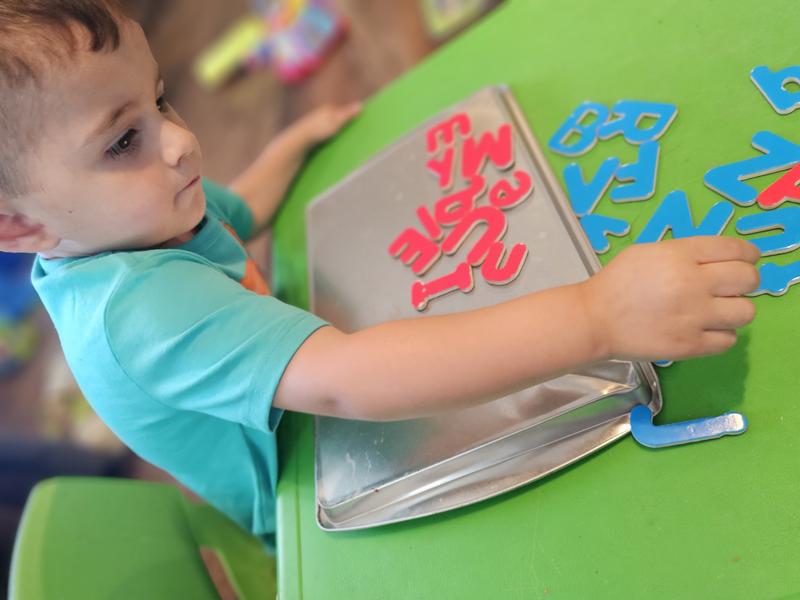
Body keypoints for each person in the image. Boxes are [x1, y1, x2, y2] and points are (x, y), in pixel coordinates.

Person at [0, 0, 760, 545]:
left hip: (320, 399)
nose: (179, 143)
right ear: (22, 227)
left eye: (161, 99)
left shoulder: (136, 212)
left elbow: (237, 215)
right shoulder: (140, 312)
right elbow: (351, 379)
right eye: (122, 141)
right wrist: (601, 315)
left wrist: (291, 146)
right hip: (305, 491)